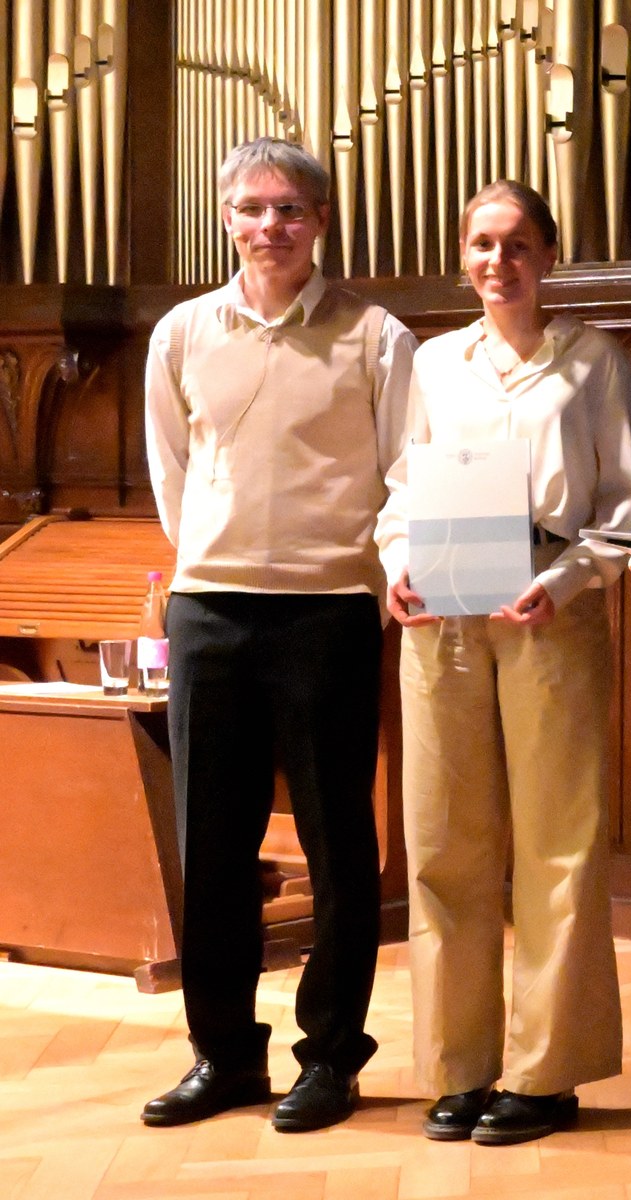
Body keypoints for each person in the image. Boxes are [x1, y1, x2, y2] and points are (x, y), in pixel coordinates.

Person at [139, 136, 415, 1133]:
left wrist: (369, 575)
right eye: (252, 209)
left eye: (291, 209)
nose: (271, 227)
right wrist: (214, 561)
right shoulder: (181, 333)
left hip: (329, 609)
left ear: (321, 221)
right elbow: (173, 470)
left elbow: (404, 470)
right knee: (211, 844)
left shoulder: (375, 335)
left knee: (340, 845)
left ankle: (331, 1058)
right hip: (210, 609)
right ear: (226, 220)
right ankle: (223, 1055)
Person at [373, 181, 631, 1146]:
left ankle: (544, 1072)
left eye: (519, 244)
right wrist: (396, 564)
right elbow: (402, 486)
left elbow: (623, 505)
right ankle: (459, 1066)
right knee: (445, 839)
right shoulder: (435, 363)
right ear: (463, 257)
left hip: (546, 605)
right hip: (442, 607)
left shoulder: (594, 361)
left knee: (558, 842)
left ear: (549, 255)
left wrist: (566, 581)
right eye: (483, 244)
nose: (500, 262)